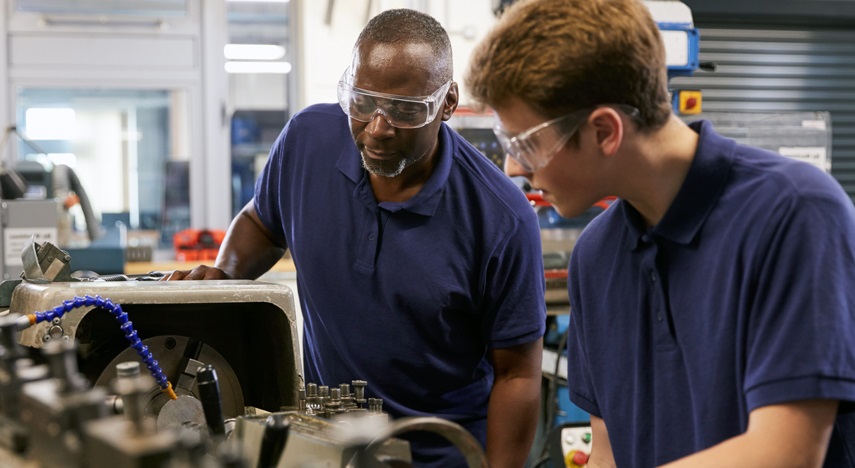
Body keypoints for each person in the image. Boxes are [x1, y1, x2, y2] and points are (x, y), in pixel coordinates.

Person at [465, 0, 855, 466]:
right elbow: (607, 450)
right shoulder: (595, 256)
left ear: (605, 132)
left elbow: (786, 452)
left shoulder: (795, 213)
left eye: (525, 143)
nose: (513, 168)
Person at [165, 8, 546, 467]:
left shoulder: (501, 217)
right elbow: (262, 221)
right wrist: (227, 272)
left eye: (405, 111)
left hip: (438, 455)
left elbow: (517, 376)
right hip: (324, 447)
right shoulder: (308, 140)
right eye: (363, 102)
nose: (378, 128)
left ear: (447, 104)